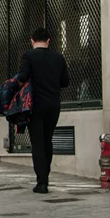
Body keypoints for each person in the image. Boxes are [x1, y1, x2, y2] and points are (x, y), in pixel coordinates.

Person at [15, 27, 70, 194]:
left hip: (35, 106)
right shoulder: (58, 57)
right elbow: (65, 82)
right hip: (53, 105)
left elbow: (22, 77)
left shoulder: (28, 56)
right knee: (48, 140)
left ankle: (42, 182)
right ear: (48, 40)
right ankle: (46, 177)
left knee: (37, 143)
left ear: (32, 41)